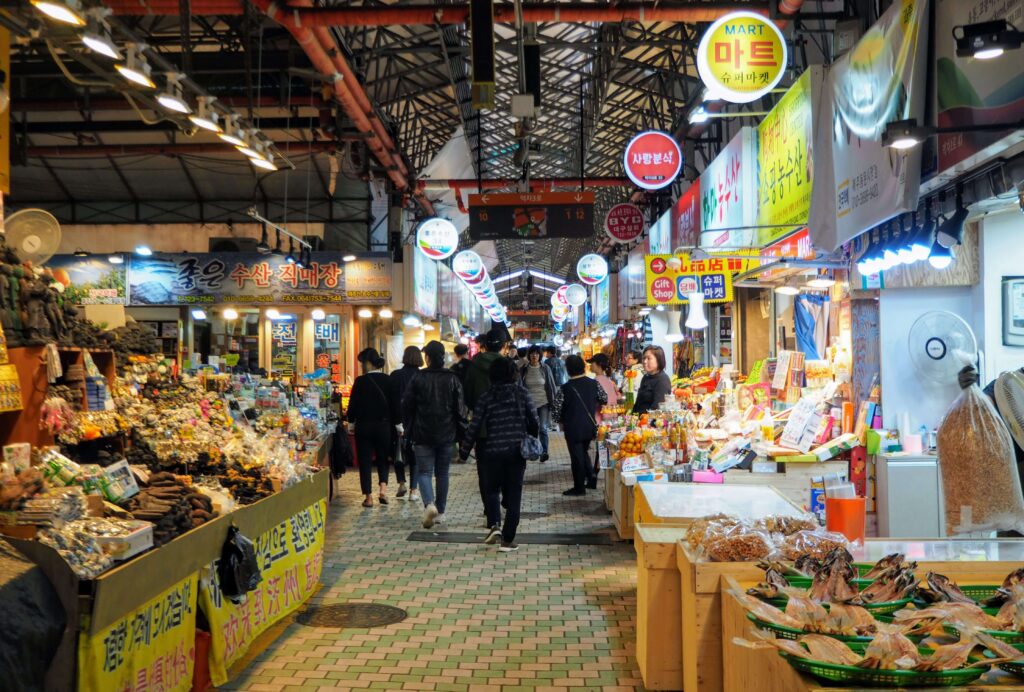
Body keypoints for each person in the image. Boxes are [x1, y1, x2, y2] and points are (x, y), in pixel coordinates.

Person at [459, 357, 538, 552]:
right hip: (515, 451)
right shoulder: (522, 393)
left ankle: (494, 524)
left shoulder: (486, 396)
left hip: (491, 450)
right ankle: (508, 539)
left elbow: (475, 425)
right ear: (513, 373)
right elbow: (535, 420)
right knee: (514, 494)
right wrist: (531, 436)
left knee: (492, 490)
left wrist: (464, 450)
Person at [403, 340, 467, 529]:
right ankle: (441, 512)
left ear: (428, 357)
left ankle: (429, 504)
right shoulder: (452, 378)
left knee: (424, 472)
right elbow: (460, 409)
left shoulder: (417, 378)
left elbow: (406, 404)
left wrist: (409, 426)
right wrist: (463, 433)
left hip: (422, 433)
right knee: (442, 473)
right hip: (447, 434)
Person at [347, 348, 400, 507]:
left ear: (368, 363)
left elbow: (352, 405)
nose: (362, 366)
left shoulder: (360, 381)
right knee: (383, 458)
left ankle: (368, 497)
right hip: (384, 426)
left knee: (365, 461)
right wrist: (398, 424)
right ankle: (383, 489)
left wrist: (351, 423)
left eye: (362, 362)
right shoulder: (388, 380)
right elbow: (395, 405)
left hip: (363, 426)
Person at [554, 355, 607, 495]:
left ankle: (579, 487)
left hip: (573, 428)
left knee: (576, 457)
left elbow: (556, 411)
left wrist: (561, 420)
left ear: (568, 369)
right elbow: (604, 398)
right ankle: (591, 477)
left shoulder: (565, 388)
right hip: (589, 426)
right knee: (583, 452)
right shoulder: (593, 383)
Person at [390, 346, 423, 500]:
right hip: (416, 420)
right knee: (414, 454)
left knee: (398, 452)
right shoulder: (422, 375)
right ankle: (413, 490)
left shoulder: (395, 375)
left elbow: (391, 399)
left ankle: (401, 482)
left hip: (398, 419)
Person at [520, 345, 556, 462]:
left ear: (540, 355)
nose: (534, 355)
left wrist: (553, 401)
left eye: (536, 353)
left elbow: (551, 385)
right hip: (529, 404)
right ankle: (534, 450)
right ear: (529, 355)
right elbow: (520, 386)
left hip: (543, 402)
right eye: (532, 353)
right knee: (532, 428)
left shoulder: (545, 368)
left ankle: (544, 452)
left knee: (543, 428)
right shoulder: (524, 369)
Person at [632, 345, 672, 415]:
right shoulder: (645, 377)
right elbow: (638, 402)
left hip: (649, 423)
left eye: (649, 358)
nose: (644, 361)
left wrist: (644, 420)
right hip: (637, 421)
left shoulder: (662, 380)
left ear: (658, 360)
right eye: (644, 358)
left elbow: (657, 407)